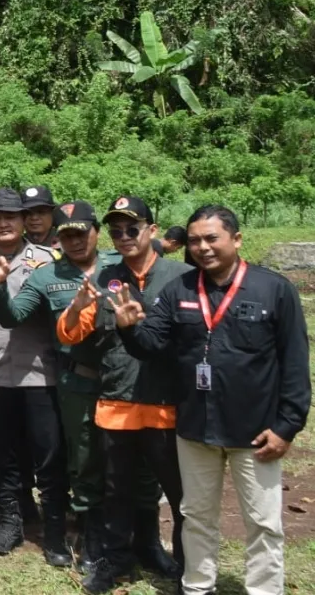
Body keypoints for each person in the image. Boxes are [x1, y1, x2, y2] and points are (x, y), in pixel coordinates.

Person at [111, 205, 310, 595]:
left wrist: (287, 426)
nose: (202, 247)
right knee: (196, 515)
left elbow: (295, 364)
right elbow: (151, 345)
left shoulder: (274, 289)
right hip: (195, 426)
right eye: (196, 240)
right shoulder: (180, 289)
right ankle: (198, 585)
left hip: (257, 430)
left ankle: (265, 589)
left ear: (236, 239)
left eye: (212, 238)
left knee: (263, 522)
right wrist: (129, 327)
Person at [54, 196, 189, 592]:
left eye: (132, 229)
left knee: (179, 497)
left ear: (152, 230)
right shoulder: (104, 278)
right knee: (116, 491)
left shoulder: (180, 276)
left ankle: (181, 564)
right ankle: (115, 561)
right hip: (118, 403)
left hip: (168, 407)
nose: (124, 236)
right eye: (116, 231)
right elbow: (70, 334)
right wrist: (78, 307)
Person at [0, 200, 119, 572]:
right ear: (57, 239)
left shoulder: (118, 267)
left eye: (81, 232)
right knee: (65, 459)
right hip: (74, 379)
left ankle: (130, 536)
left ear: (95, 231)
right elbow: (12, 317)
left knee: (124, 461)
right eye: (66, 235)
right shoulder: (46, 274)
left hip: (125, 381)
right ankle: (58, 536)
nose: (75, 240)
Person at [0, 187, 69, 564]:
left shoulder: (48, 259)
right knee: (3, 457)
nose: (3, 223)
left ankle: (55, 533)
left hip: (40, 374)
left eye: (10, 217)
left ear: (25, 221)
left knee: (49, 457)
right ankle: (10, 523)